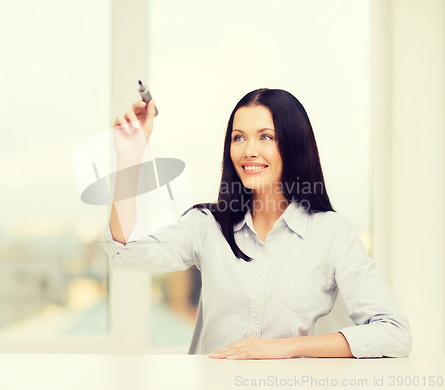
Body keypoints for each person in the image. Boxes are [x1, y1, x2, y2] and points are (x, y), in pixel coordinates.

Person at [104, 88, 412, 359]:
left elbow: (394, 333)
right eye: (239, 137)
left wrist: (289, 346)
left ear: (293, 145)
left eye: (266, 136)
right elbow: (123, 254)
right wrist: (129, 159)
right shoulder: (207, 225)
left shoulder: (332, 232)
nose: (248, 150)